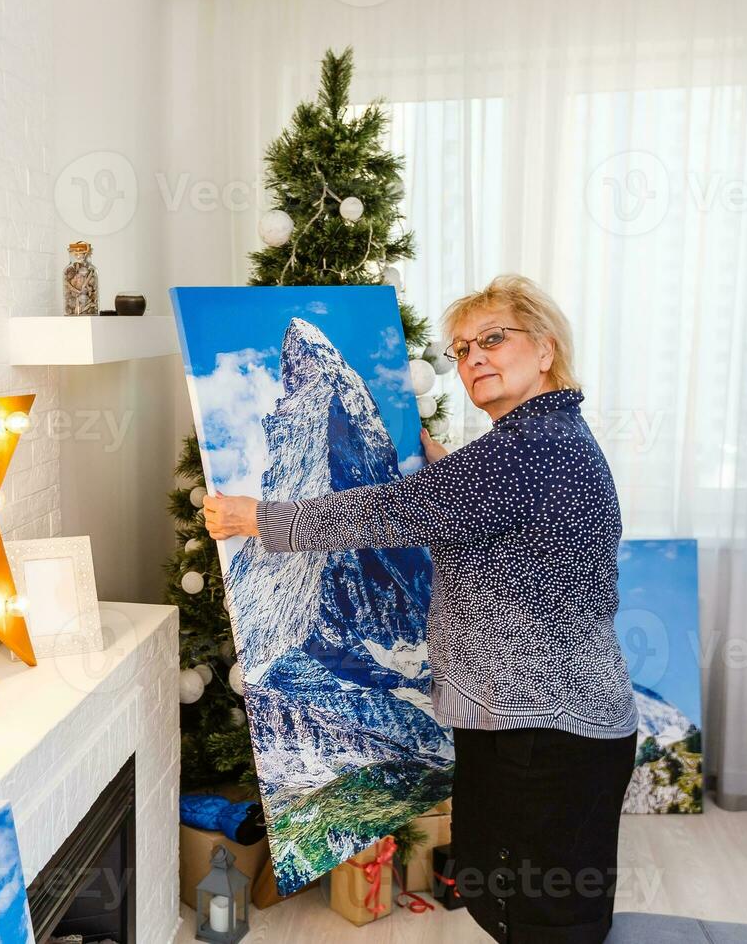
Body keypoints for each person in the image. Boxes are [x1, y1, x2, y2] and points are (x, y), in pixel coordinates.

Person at [203, 274, 638, 944]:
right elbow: (482, 507)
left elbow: (387, 510)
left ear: (546, 349)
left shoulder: (523, 453)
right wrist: (435, 462)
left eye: (493, 338)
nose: (473, 359)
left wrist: (255, 517)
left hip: (545, 734)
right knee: (523, 903)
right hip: (545, 722)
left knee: (546, 919)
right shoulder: (539, 443)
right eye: (462, 350)